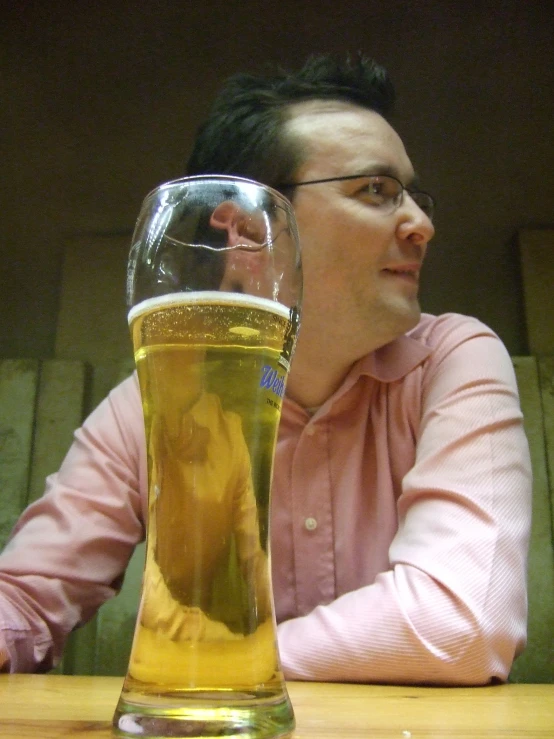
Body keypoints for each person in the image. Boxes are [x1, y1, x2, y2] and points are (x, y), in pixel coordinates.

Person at [0, 54, 531, 683]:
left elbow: (463, 621)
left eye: (414, 195)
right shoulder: (155, 400)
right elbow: (25, 600)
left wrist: (206, 667)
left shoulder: (453, 359)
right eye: (376, 191)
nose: (422, 225)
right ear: (251, 230)